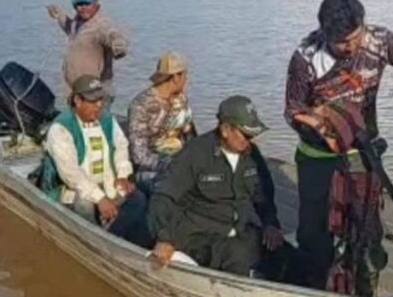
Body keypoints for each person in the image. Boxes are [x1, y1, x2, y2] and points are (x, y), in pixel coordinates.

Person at [284, 0, 393, 292]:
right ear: (324, 34)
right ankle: (315, 289)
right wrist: (320, 122)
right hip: (317, 157)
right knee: (314, 234)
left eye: (354, 37)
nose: (351, 47)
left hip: (363, 153)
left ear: (362, 24)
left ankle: (364, 292)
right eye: (341, 43)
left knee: (366, 231)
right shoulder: (305, 56)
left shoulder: (378, 40)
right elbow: (291, 110)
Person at [148, 96, 284, 276]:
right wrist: (164, 237)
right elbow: (164, 196)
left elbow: (263, 194)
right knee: (238, 256)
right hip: (199, 235)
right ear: (226, 129)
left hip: (240, 230)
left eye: (253, 136)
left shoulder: (252, 155)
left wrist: (270, 223)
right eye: (246, 135)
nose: (250, 141)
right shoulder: (195, 153)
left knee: (285, 255)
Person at [44, 74, 151, 248]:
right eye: (93, 101)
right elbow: (71, 174)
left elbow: (120, 146)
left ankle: (113, 235)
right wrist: (100, 198)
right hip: (73, 189)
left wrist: (123, 174)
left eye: (101, 99)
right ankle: (96, 243)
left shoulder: (107, 119)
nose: (99, 105)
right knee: (84, 204)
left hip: (106, 183)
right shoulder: (61, 128)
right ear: (78, 101)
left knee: (137, 198)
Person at [127, 52, 195, 193]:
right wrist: (170, 165)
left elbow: (190, 137)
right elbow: (139, 155)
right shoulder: (141, 105)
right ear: (176, 77)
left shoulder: (181, 100)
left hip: (181, 162)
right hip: (152, 170)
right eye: (185, 75)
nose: (187, 79)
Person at [47, 0, 129, 96]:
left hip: (95, 93)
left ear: (95, 2)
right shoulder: (78, 23)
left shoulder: (101, 25)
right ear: (74, 5)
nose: (83, 7)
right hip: (77, 90)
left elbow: (111, 34)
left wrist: (119, 44)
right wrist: (60, 16)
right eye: (79, 4)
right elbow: (72, 31)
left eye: (87, 3)